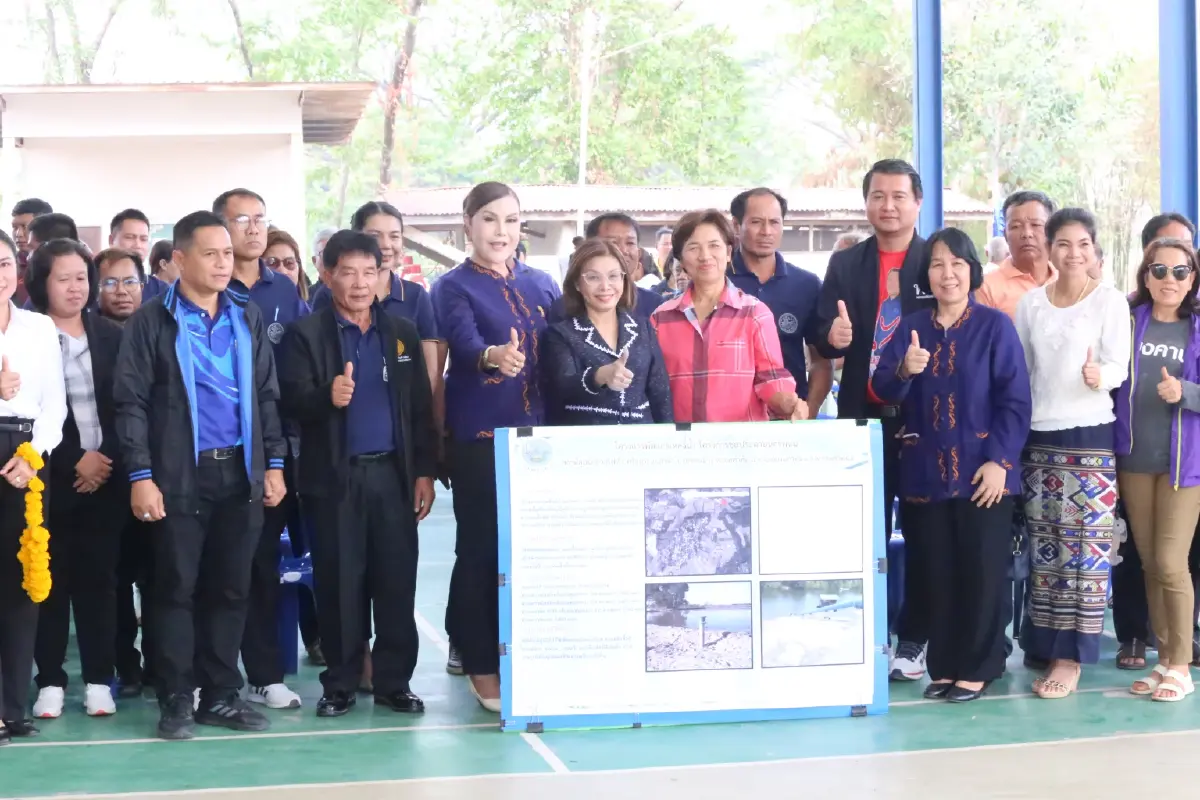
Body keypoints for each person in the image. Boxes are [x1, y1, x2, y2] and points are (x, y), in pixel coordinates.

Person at [113, 210, 287, 740]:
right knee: (175, 590)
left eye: (227, 253)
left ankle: (219, 696)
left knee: (231, 589)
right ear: (179, 259)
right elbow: (131, 402)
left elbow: (266, 394)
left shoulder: (244, 315)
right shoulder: (152, 321)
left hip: (240, 474)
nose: (222, 263)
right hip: (177, 478)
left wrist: (274, 464)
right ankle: (175, 698)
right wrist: (141, 475)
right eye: (210, 254)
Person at [279, 230, 436, 717]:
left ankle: (394, 683)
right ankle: (340, 684)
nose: (361, 282)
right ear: (327, 275)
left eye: (371, 272)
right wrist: (326, 396)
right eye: (348, 271)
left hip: (393, 476)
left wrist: (424, 472)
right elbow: (288, 401)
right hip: (334, 480)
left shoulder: (402, 333)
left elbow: (418, 405)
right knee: (340, 584)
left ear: (383, 276)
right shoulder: (306, 335)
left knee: (395, 580)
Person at [872, 228, 1031, 703]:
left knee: (982, 574)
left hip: (983, 474)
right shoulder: (910, 326)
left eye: (957, 264)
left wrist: (1001, 462)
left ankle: (980, 666)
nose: (948, 273)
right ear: (928, 275)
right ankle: (944, 666)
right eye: (938, 264)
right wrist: (904, 369)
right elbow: (882, 388)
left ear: (971, 271)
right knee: (936, 573)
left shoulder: (994, 326)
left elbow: (1016, 401)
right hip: (924, 474)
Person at [431, 182, 557, 712]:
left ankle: (524, 653)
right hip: (482, 439)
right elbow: (463, 346)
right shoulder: (451, 287)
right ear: (467, 224)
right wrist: (491, 359)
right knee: (481, 550)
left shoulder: (543, 283)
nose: (500, 231)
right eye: (488, 219)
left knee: (531, 553)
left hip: (541, 440)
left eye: (510, 220)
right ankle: (480, 660)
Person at [815, 159, 935, 681]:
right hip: (861, 421)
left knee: (924, 534)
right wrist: (831, 339)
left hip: (924, 422)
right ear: (866, 203)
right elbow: (822, 331)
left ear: (917, 203)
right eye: (878, 196)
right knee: (861, 535)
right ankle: (865, 639)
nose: (888, 206)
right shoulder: (847, 264)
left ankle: (915, 640)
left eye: (899, 196)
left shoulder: (938, 259)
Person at [1014, 207, 1130, 698]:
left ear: (1094, 249)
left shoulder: (1109, 301)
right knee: (1045, 551)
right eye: (1064, 243)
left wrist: (1097, 376)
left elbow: (1118, 366)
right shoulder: (1031, 304)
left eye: (1083, 244)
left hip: (1089, 439)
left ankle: (1069, 659)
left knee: (1083, 553)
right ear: (1049, 249)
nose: (1074, 253)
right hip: (1039, 439)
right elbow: (1020, 372)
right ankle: (1042, 643)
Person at [211, 189, 308, 710]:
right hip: (218, 451)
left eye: (260, 219)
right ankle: (214, 675)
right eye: (240, 219)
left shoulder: (284, 291)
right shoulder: (205, 293)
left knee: (264, 564)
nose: (252, 228)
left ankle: (266, 673)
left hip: (275, 449)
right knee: (220, 569)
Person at [24, 240, 126, 719]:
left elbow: (128, 406)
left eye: (81, 277)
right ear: (41, 283)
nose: (74, 286)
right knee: (49, 582)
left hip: (106, 478)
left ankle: (100, 679)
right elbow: (32, 411)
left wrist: (103, 458)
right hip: (48, 479)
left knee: (100, 582)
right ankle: (50, 679)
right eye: (62, 278)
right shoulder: (30, 337)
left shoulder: (110, 334)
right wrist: (72, 460)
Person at [1112, 211, 1200, 670]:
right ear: (1146, 276)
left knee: (1171, 562)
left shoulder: (1198, 326)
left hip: (1183, 466)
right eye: (1159, 270)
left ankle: (1182, 664)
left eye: (1180, 271)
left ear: (1192, 280)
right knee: (1148, 564)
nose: (1169, 278)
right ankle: (1164, 658)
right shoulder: (1127, 321)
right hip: (1133, 461)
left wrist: (1185, 392)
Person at [0, 229, 67, 743]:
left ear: (16, 271)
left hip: (23, 457)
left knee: (22, 580)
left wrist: (33, 457)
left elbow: (55, 407)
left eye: (3, 263)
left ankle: (12, 707)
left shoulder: (40, 327)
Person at [651, 209, 804, 423]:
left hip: (739, 447)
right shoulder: (661, 318)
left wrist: (788, 402)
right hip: (680, 448)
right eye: (693, 248)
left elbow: (771, 377)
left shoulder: (754, 314)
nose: (705, 256)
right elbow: (652, 384)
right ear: (681, 260)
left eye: (714, 246)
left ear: (729, 252)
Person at [542, 239, 672, 425]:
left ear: (624, 279)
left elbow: (660, 392)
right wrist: (598, 376)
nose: (605, 286)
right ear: (577, 283)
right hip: (586, 444)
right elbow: (561, 387)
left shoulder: (642, 328)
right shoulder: (560, 334)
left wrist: (667, 440)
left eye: (613, 276)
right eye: (593, 277)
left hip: (640, 443)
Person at [729, 188, 832, 419]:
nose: (766, 231)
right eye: (756, 222)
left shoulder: (807, 284)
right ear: (736, 226)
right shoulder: (719, 281)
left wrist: (808, 412)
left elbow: (821, 362)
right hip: (732, 422)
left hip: (789, 420)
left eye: (774, 222)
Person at [546, 213, 663, 324]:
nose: (623, 251)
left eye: (630, 243)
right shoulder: (563, 309)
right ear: (589, 249)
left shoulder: (655, 305)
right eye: (612, 243)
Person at [977, 191, 1058, 320]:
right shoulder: (986, 288)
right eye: (1015, 226)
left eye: (1036, 225)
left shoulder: (1067, 281)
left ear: (1052, 231)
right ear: (1005, 235)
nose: (1027, 234)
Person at [93, 248, 145, 324]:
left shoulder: (157, 330)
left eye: (130, 282)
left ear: (141, 287)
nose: (121, 291)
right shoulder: (85, 332)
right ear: (95, 291)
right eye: (110, 283)